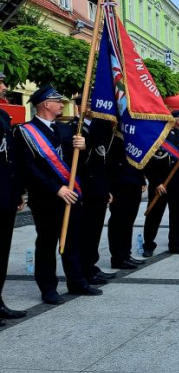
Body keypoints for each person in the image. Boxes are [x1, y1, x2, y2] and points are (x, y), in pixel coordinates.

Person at [14, 84, 102, 304]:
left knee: (73, 240)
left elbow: (76, 165)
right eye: (58, 101)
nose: (62, 104)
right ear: (46, 104)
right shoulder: (25, 131)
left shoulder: (65, 129)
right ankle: (48, 288)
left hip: (71, 196)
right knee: (47, 242)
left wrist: (83, 147)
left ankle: (77, 281)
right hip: (46, 198)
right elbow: (27, 168)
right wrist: (56, 188)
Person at [143, 109, 179, 257]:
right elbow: (148, 162)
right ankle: (148, 245)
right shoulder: (157, 136)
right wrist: (156, 182)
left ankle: (176, 243)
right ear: (173, 119)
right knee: (154, 215)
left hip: (177, 184)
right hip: (160, 184)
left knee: (177, 215)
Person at [76, 101, 116, 285]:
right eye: (91, 103)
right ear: (82, 105)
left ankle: (91, 266)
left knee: (95, 231)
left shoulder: (98, 128)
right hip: (84, 190)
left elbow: (103, 161)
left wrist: (106, 189)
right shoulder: (73, 129)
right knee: (84, 232)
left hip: (98, 188)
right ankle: (83, 269)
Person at [0, 72, 27, 321]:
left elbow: (9, 159)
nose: (5, 87)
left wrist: (17, 191)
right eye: (0, 83)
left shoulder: (3, 117)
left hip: (5, 194)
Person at [106, 126, 147, 270]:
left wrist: (141, 179)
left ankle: (126, 254)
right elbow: (107, 162)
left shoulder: (131, 131)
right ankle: (118, 257)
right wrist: (108, 187)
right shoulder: (111, 133)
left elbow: (137, 158)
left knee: (129, 220)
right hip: (118, 183)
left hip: (133, 181)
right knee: (119, 220)